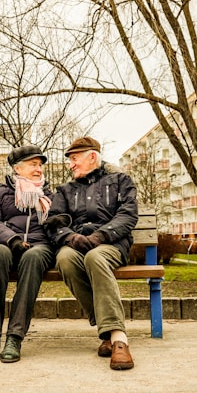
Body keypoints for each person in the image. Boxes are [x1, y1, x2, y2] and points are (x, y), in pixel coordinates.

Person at [44, 136, 138, 370]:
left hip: (111, 244)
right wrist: (70, 237)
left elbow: (127, 216)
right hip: (78, 244)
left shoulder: (120, 181)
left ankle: (118, 339)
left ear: (92, 157)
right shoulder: (65, 191)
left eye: (74, 159)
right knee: (64, 258)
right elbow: (54, 221)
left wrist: (101, 236)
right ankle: (107, 330)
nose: (71, 164)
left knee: (94, 257)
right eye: (70, 160)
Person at [0, 144, 55, 363]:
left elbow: (57, 225)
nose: (39, 169)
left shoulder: (49, 194)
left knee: (33, 258)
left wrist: (58, 223)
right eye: (33, 164)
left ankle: (15, 337)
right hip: (8, 243)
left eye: (40, 165)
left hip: (39, 247)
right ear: (17, 168)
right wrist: (12, 239)